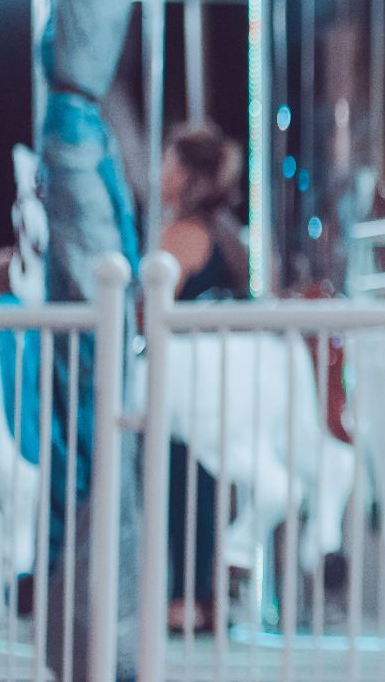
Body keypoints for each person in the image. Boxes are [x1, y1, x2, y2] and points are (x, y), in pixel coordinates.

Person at [158, 123, 249, 634]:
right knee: (208, 483)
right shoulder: (227, 234)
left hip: (187, 380)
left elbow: (150, 302)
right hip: (226, 376)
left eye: (169, 163)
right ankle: (206, 594)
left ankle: (186, 596)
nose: (161, 173)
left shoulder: (184, 236)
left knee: (182, 480)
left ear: (187, 173)